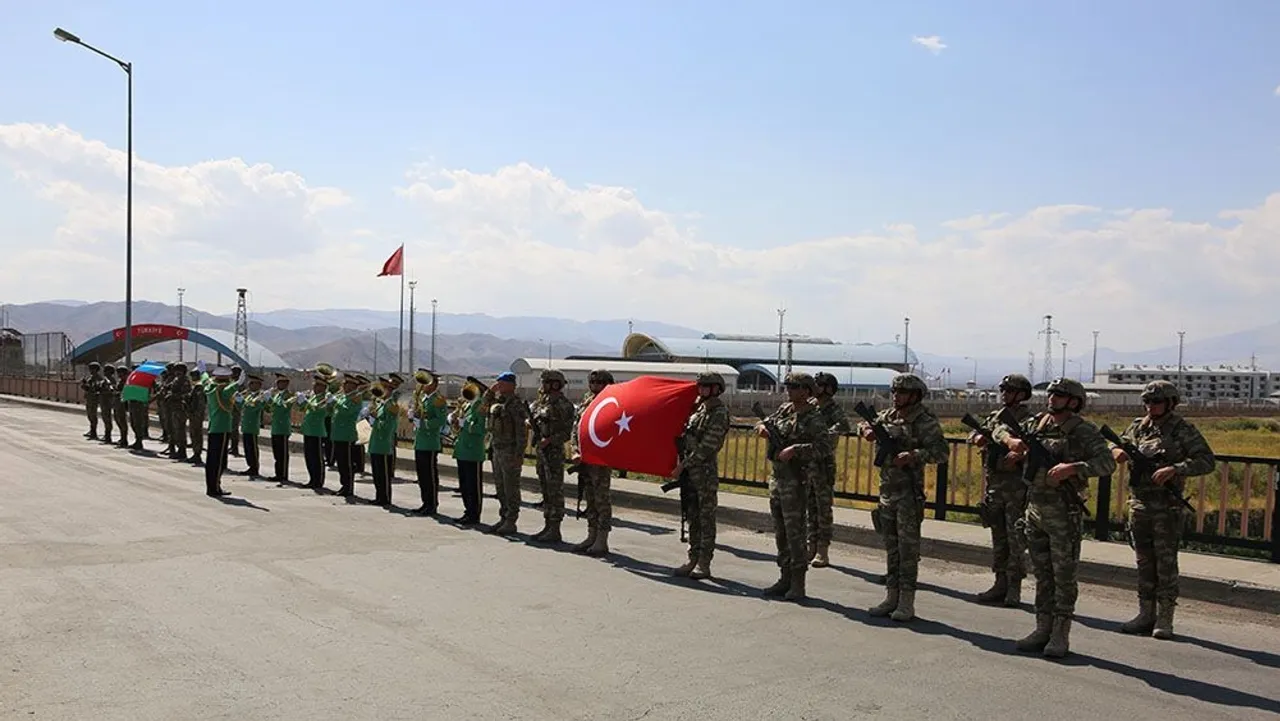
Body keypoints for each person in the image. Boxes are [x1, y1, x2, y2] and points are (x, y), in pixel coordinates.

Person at [998, 377, 1115, 658]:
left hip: (1064, 513)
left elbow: (1107, 462)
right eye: (1051, 393)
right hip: (1035, 509)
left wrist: (1074, 468)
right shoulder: (1038, 425)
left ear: (1074, 401)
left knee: (1063, 575)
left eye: (1059, 395)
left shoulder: (1083, 431)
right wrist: (1011, 441)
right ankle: (1042, 627)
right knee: (1042, 574)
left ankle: (1060, 633)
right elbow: (999, 428)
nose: (1052, 398)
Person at [1111, 380, 1215, 640]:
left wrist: (1175, 469)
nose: (1150, 406)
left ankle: (1165, 618)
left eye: (1156, 402)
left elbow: (1206, 460)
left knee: (1165, 564)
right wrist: (1116, 451)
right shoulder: (1138, 427)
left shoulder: (1182, 430)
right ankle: (1145, 614)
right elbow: (1116, 445)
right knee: (1144, 562)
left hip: (1166, 506)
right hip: (1139, 504)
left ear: (1170, 403)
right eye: (1146, 401)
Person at [859, 373, 949, 622]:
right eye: (894, 392)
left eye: (901, 392)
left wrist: (913, 455)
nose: (896, 396)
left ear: (915, 395)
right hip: (887, 490)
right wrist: (866, 430)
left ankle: (907, 602)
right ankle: (891, 596)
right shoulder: (888, 416)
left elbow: (941, 452)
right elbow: (864, 424)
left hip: (908, 492)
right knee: (891, 547)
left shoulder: (924, 420)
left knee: (907, 549)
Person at [967, 373, 1034, 607]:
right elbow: (975, 433)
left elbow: (1036, 447)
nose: (1004, 393)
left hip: (1016, 489)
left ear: (1022, 394)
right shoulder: (996, 417)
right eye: (1003, 390)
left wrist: (1020, 455)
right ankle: (999, 582)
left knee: (1016, 539)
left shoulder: (1029, 420)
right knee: (999, 538)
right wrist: (976, 437)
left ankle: (1014, 586)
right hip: (995, 487)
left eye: (1010, 390)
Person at [759, 373, 826, 601]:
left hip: (796, 481)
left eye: (794, 387)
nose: (789, 390)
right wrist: (762, 428)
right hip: (778, 480)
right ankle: (784, 577)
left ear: (806, 391)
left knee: (795, 534)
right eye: (788, 386)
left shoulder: (814, 417)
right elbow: (766, 422)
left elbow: (823, 447)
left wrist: (796, 449)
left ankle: (798, 584)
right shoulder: (785, 410)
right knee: (781, 534)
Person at [671, 372, 731, 580]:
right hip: (690, 472)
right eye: (701, 386)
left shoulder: (719, 413)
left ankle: (704, 562)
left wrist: (683, 466)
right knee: (693, 518)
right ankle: (692, 558)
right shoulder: (699, 410)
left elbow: (708, 447)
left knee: (706, 519)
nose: (702, 389)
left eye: (707, 386)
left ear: (716, 389)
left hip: (704, 473)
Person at [570, 369, 616, 556]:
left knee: (601, 499)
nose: (596, 386)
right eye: (593, 382)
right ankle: (591, 534)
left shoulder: (613, 403)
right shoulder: (586, 401)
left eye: (600, 383)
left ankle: (602, 539)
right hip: (585, 458)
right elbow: (577, 427)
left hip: (601, 459)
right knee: (590, 497)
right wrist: (575, 449)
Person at [528, 369, 576, 543]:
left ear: (555, 383)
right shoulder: (543, 402)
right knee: (546, 490)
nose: (542, 385)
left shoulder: (564, 405)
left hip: (554, 453)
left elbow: (566, 432)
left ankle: (555, 527)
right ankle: (547, 525)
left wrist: (549, 440)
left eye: (546, 382)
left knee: (555, 490)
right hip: (542, 452)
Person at [809, 371, 850, 568]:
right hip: (806, 463)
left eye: (819, 385)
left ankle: (822, 549)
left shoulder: (833, 410)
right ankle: (811, 545)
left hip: (823, 464)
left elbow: (843, 426)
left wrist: (825, 435)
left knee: (822, 508)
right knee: (809, 507)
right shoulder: (809, 407)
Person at [485, 373, 530, 535]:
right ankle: (503, 517)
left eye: (502, 383)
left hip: (510, 451)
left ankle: (511, 520)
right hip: (497, 449)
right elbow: (483, 406)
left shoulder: (515, 405)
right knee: (500, 486)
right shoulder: (499, 402)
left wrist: (519, 454)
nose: (499, 386)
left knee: (511, 487)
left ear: (512, 385)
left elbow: (521, 432)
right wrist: (490, 392)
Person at [409, 370, 448, 516]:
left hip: (430, 442)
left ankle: (432, 504)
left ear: (433, 385)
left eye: (425, 382)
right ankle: (425, 502)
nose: (422, 385)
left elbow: (440, 420)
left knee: (430, 475)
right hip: (421, 441)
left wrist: (423, 424)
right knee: (422, 475)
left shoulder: (437, 400)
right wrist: (413, 416)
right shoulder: (424, 399)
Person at [450, 381, 488, 526]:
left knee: (473, 486)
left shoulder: (481, 407)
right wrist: (454, 422)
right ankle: (467, 511)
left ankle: (474, 514)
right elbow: (460, 425)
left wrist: (464, 424)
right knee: (464, 485)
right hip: (462, 449)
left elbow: (481, 429)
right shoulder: (466, 406)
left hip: (473, 451)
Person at [200, 364, 241, 497]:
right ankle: (215, 487)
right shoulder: (223, 389)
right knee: (219, 461)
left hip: (213, 427)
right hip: (222, 427)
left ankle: (212, 486)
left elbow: (205, 379)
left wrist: (203, 371)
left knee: (212, 459)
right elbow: (232, 388)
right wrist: (240, 380)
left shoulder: (210, 387)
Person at [328, 374, 366, 498]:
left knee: (347, 463)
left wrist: (336, 402)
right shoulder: (343, 397)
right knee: (340, 463)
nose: (343, 386)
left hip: (347, 434)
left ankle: (348, 487)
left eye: (346, 384)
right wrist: (330, 402)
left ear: (353, 386)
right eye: (344, 384)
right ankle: (344, 485)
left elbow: (347, 411)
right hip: (338, 434)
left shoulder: (355, 397)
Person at [367, 378, 403, 507]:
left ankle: (385, 497)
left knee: (383, 474)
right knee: (377, 473)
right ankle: (379, 496)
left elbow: (389, 425)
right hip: (376, 442)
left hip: (383, 442)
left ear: (389, 390)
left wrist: (375, 419)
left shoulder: (391, 405)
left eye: (384, 389)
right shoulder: (382, 404)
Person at [300, 374, 332, 490]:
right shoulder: (314, 397)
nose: (314, 386)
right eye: (315, 384)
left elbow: (317, 408)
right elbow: (303, 409)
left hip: (317, 431)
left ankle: (318, 481)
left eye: (317, 385)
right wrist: (301, 402)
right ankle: (312, 479)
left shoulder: (325, 398)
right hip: (308, 430)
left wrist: (306, 402)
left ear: (323, 387)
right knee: (309, 457)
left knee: (317, 458)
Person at [236, 374, 269, 479]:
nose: (249, 385)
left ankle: (254, 467)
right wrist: (238, 400)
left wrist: (244, 401)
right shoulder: (249, 395)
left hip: (252, 426)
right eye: (249, 383)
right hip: (246, 425)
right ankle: (250, 466)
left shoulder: (260, 397)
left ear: (258, 385)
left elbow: (254, 408)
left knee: (252, 448)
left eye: (252, 383)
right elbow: (241, 407)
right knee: (247, 448)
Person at [266, 373, 297, 482]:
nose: (278, 384)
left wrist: (269, 400)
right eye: (277, 382)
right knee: (277, 453)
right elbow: (270, 410)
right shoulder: (277, 395)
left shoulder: (289, 396)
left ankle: (283, 474)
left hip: (283, 427)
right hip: (276, 427)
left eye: (280, 382)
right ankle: (278, 473)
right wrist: (266, 401)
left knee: (282, 454)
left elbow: (281, 408)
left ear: (286, 384)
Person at [80, 361, 106, 439]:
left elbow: (95, 388)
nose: (90, 370)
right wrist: (84, 384)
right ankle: (92, 430)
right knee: (90, 415)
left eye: (91, 369)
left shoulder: (99, 378)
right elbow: (87, 387)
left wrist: (88, 387)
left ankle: (93, 431)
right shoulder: (91, 378)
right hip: (89, 398)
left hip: (94, 399)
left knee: (93, 415)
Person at [186, 367, 206, 466]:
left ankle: (197, 454)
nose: (192, 377)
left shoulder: (199, 387)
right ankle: (195, 453)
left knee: (196, 433)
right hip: (193, 414)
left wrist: (197, 414)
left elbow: (201, 403)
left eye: (194, 375)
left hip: (196, 414)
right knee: (193, 434)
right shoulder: (195, 386)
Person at [98, 363, 117, 445]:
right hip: (103, 401)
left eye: (106, 370)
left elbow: (111, 391)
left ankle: (108, 435)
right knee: (105, 418)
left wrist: (104, 391)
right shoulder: (105, 380)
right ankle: (107, 434)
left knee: (107, 418)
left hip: (107, 401)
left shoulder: (111, 380)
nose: (104, 372)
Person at [112, 365, 131, 448]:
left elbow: (126, 393)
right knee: (118, 420)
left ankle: (124, 439)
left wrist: (118, 393)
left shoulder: (127, 382)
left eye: (121, 373)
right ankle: (122, 438)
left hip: (122, 404)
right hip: (117, 403)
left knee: (122, 421)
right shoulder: (120, 381)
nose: (119, 375)